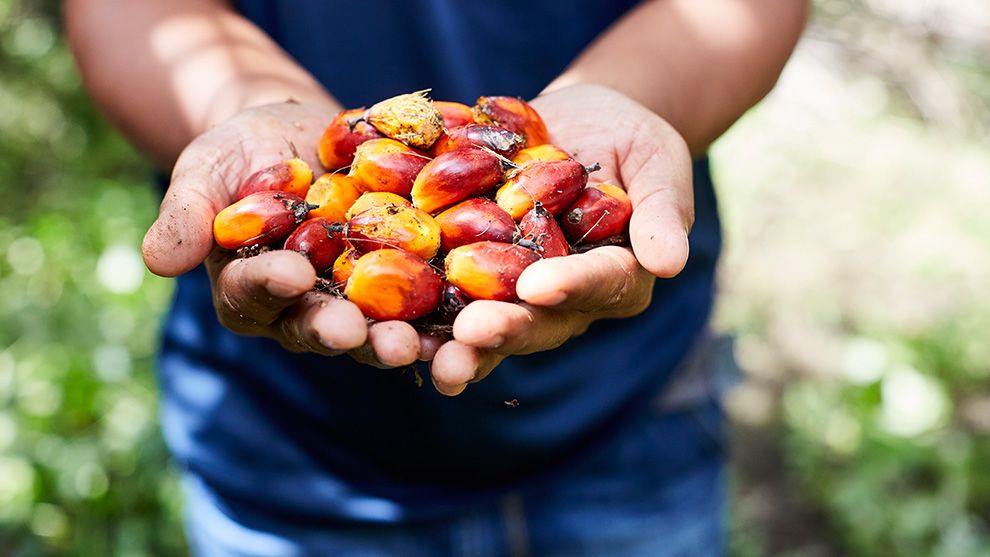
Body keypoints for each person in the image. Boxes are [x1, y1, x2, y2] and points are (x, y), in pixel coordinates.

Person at [66, 1, 807, 555]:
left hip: (629, 419)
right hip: (294, 460)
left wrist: (638, 99)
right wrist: (241, 106)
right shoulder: (360, 200)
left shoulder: (429, 200)